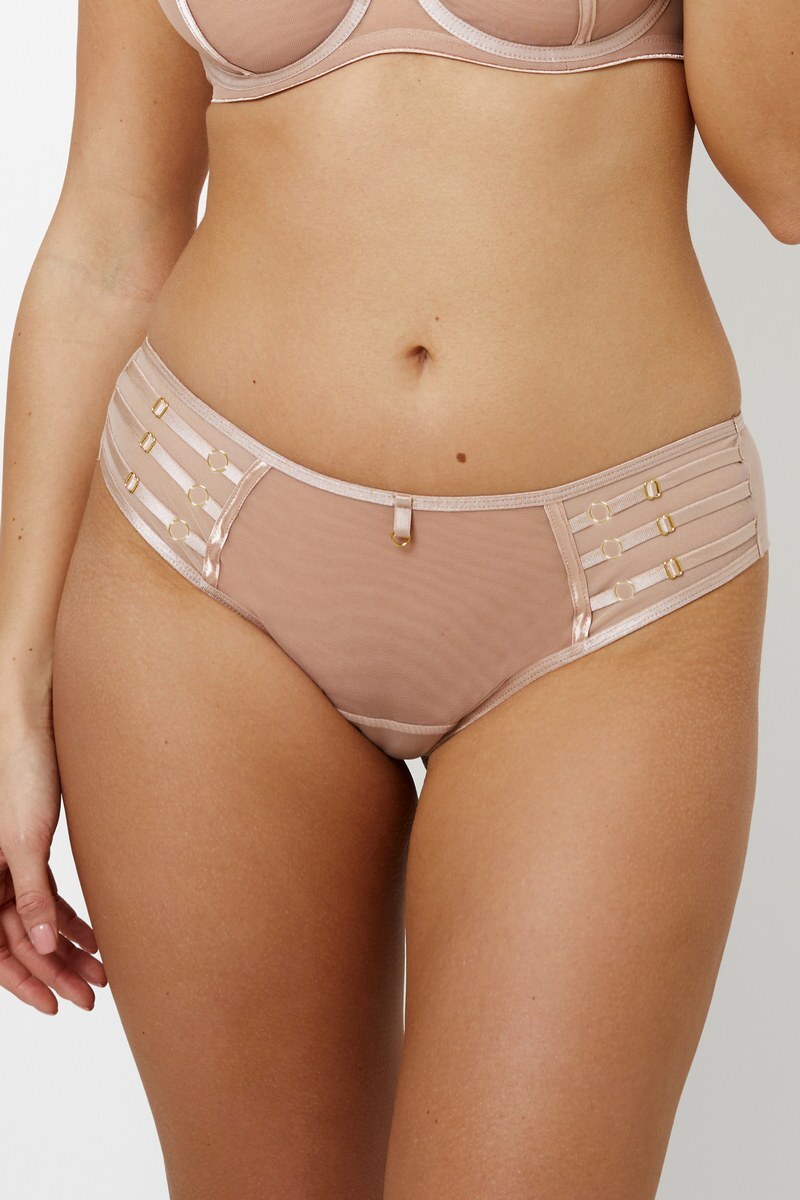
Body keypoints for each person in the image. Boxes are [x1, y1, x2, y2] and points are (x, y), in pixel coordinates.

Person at [0, 1, 792, 1196]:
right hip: (197, 559)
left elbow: (782, 175)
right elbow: (110, 234)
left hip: (617, 589)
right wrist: (13, 696)